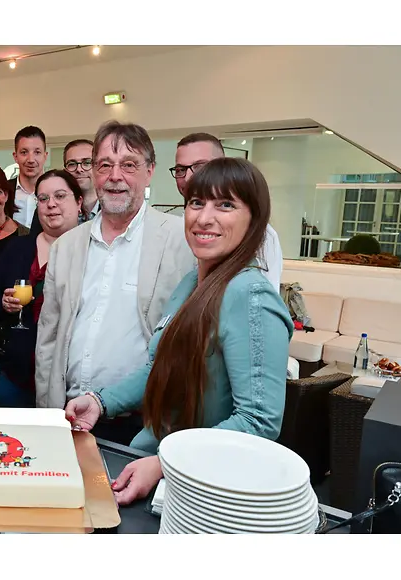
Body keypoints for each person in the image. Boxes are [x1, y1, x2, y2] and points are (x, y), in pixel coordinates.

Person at [65, 157, 294, 505]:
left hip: (199, 486)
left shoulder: (250, 296)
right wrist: (101, 402)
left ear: (254, 219)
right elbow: (162, 368)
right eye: (196, 203)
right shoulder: (192, 283)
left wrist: (165, 464)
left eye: (226, 205)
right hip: (155, 463)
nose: (204, 218)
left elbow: (258, 421)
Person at [35, 120, 197, 444]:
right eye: (105, 165)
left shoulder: (181, 241)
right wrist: (47, 416)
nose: (115, 176)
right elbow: (48, 341)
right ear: (94, 173)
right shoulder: (66, 246)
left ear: (149, 171)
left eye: (129, 165)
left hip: (144, 423)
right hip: (70, 417)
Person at [0, 170, 83, 407]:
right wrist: (2, 303)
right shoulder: (18, 247)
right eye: (43, 198)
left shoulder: (91, 252)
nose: (51, 204)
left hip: (68, 378)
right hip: (16, 374)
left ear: (79, 202)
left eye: (60, 196)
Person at [170, 132, 283, 291]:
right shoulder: (175, 228)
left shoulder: (261, 236)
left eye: (200, 167)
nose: (189, 177)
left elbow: (260, 294)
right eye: (180, 169)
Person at [6, 125, 48, 231]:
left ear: (45, 156)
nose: (31, 160)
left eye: (37, 152)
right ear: (15, 157)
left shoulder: (57, 192)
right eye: (24, 152)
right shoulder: (3, 190)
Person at [62, 138, 100, 223]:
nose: (79, 169)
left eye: (87, 163)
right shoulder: (53, 208)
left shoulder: (115, 206)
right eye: (72, 164)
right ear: (65, 170)